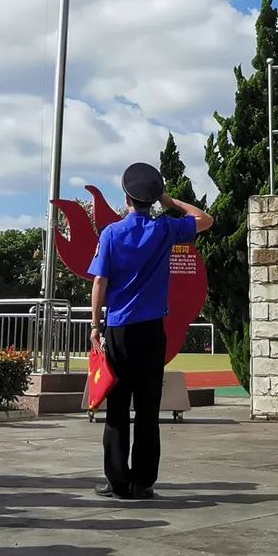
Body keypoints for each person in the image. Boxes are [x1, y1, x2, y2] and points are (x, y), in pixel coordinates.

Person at [89, 162, 213, 502]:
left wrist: (95, 326)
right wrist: (170, 202)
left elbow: (100, 281)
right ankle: (143, 482)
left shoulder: (112, 233)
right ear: (152, 199)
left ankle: (117, 483)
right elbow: (205, 220)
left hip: (118, 330)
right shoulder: (165, 230)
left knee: (117, 407)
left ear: (127, 198)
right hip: (151, 331)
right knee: (147, 408)